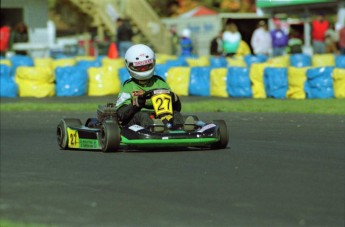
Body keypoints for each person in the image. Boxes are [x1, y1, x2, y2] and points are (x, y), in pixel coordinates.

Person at [115, 44, 192, 132]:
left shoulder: (159, 82)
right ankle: (153, 129)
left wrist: (175, 99)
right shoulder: (128, 86)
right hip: (136, 120)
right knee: (143, 115)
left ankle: (179, 129)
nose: (143, 69)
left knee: (176, 114)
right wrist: (136, 104)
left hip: (160, 117)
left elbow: (175, 109)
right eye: (139, 67)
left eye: (147, 66)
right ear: (129, 65)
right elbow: (120, 114)